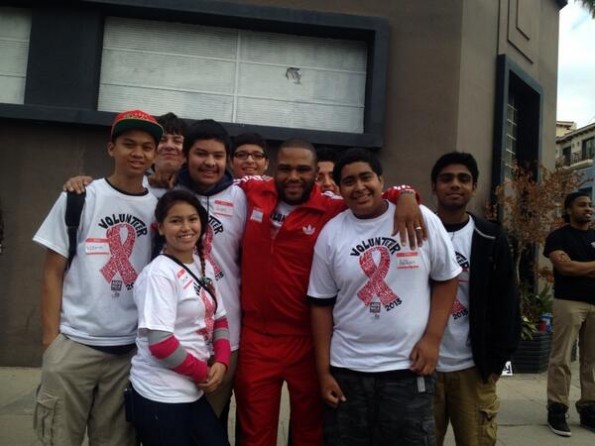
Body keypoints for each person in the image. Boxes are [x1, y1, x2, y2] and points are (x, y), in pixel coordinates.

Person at [234, 140, 425, 446]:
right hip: (257, 337)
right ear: (272, 168)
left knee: (311, 432)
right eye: (285, 168)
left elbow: (380, 194)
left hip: (308, 339)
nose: (293, 176)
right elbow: (213, 181)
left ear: (316, 174)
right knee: (254, 432)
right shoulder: (253, 191)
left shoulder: (333, 207)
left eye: (302, 169)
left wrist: (406, 195)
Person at [307, 148, 460, 445]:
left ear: (382, 181)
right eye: (349, 181)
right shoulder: (332, 234)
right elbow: (321, 305)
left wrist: (432, 339)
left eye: (366, 177)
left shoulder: (420, 218)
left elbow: (447, 278)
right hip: (347, 371)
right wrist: (323, 372)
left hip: (407, 369)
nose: (359, 187)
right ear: (340, 189)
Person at [32, 109, 162, 445]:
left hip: (128, 351)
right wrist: (52, 343)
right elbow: (52, 270)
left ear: (155, 154)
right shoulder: (80, 197)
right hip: (74, 344)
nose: (137, 153)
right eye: (128, 144)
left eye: (146, 147)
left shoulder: (160, 210)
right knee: (60, 437)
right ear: (111, 148)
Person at [430, 151, 520, 445]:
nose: (455, 184)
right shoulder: (417, 234)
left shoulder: (490, 237)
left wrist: (496, 363)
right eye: (446, 179)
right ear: (434, 186)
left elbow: (507, 302)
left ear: (474, 187)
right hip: (422, 368)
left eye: (463, 179)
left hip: (473, 368)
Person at [129, 189, 230, 446]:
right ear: (160, 228)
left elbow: (220, 319)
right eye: (176, 221)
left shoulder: (201, 263)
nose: (186, 227)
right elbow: (161, 343)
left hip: (191, 391)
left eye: (192, 219)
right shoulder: (159, 275)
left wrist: (222, 361)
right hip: (161, 394)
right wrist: (204, 373)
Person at [543, 191, 595, 437]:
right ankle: (557, 409)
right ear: (568, 209)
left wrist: (578, 268)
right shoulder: (558, 237)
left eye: (590, 205)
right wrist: (575, 268)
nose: (588, 208)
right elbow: (565, 266)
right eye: (582, 205)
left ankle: (589, 409)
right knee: (562, 358)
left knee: (591, 361)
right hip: (569, 303)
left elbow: (574, 268)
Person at [145, 112, 187, 197]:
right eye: (162, 140)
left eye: (177, 141)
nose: (169, 146)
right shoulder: (136, 185)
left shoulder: (197, 188)